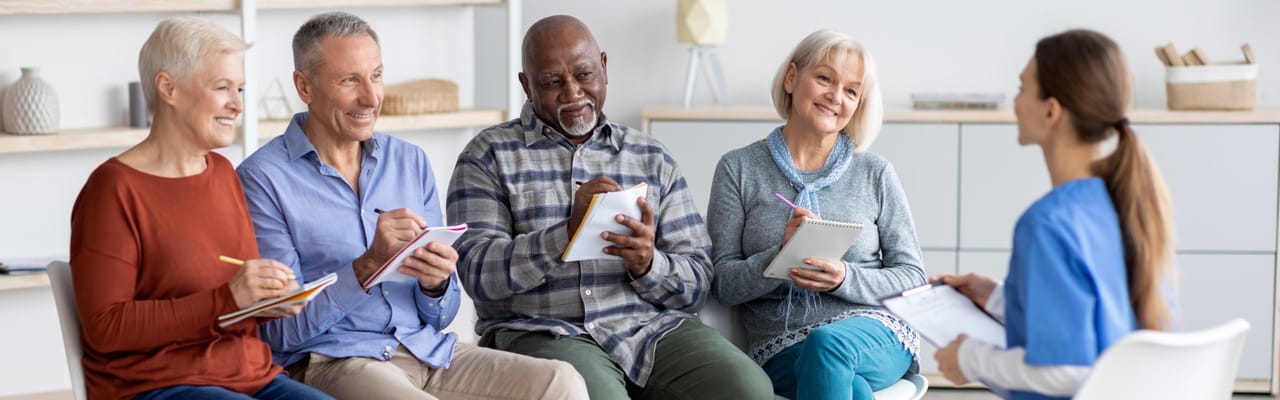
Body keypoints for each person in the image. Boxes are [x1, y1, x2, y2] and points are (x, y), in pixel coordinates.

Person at [236, 12, 588, 400]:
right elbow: (277, 331)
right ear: (304, 86)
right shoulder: (262, 179)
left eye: (376, 76)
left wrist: (435, 285)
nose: (371, 98)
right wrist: (367, 266)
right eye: (349, 80)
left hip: (427, 352)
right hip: (335, 361)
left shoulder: (409, 161)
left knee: (562, 381)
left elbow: (442, 313)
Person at [446, 14, 773, 400]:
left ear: (603, 67)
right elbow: (476, 273)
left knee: (749, 389)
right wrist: (565, 235)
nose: (572, 93)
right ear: (526, 84)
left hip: (651, 328)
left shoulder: (650, 156)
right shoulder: (487, 155)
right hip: (542, 331)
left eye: (584, 75)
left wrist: (648, 265)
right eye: (552, 82)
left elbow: (698, 280)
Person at [68, 18, 332, 400]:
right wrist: (229, 298)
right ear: (168, 88)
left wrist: (270, 299)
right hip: (157, 385)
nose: (238, 105)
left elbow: (230, 296)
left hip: (251, 377)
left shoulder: (223, 173)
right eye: (222, 88)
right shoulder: (113, 188)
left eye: (239, 89)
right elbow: (106, 327)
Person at [932, 29, 1177, 400]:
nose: (1014, 102)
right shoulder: (1126, 202)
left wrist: (970, 359)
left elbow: (1066, 372)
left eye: (1021, 88)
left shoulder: (1046, 224)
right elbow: (1096, 320)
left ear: (1051, 110)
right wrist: (998, 297)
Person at [706, 29, 926, 400]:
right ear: (792, 78)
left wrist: (845, 278)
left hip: (873, 332)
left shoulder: (875, 172)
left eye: (851, 90)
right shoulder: (737, 169)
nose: (836, 97)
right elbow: (723, 285)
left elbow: (913, 277)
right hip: (781, 344)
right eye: (824, 78)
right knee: (847, 387)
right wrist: (781, 256)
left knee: (827, 346)